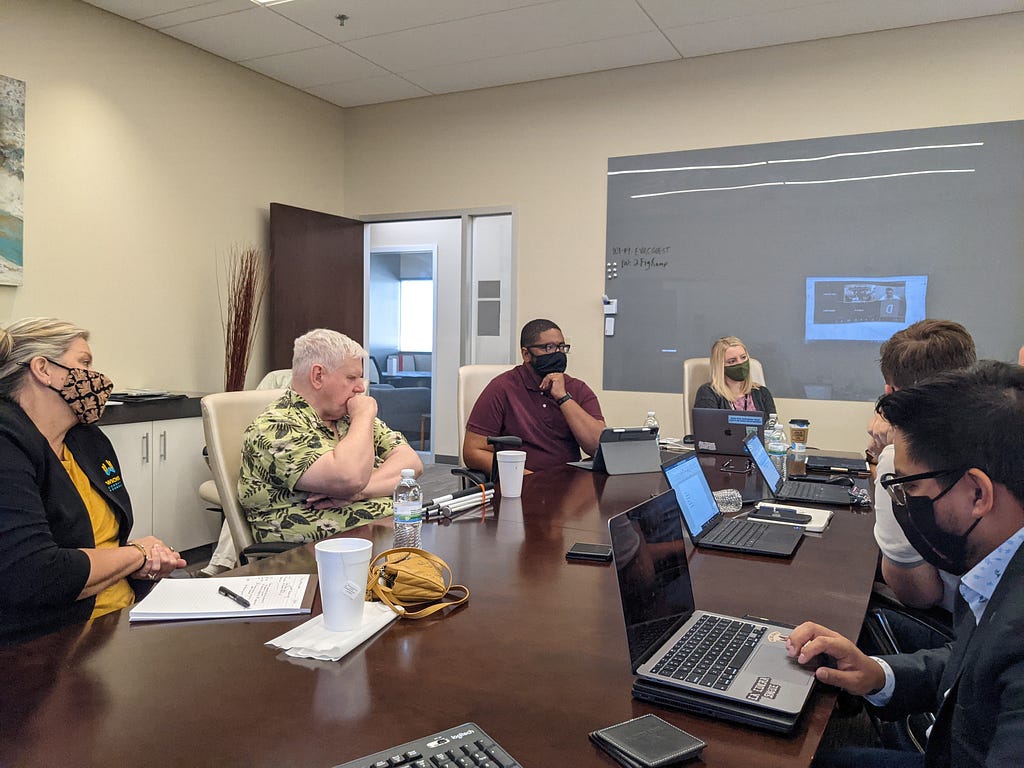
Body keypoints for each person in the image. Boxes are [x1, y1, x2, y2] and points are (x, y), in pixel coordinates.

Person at [788, 361, 1024, 768]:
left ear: (977, 493)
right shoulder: (995, 570)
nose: (904, 502)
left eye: (911, 486)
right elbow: (973, 665)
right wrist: (877, 674)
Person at [0, 318, 184, 645]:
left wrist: (138, 564)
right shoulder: (7, 444)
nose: (98, 378)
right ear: (43, 369)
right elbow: (36, 573)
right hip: (52, 643)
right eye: (84, 363)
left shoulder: (87, 440)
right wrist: (138, 554)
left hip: (124, 615)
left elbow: (103, 546)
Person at [238, 329, 422, 543]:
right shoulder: (276, 426)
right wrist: (364, 416)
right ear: (318, 376)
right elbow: (348, 477)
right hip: (315, 558)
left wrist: (362, 492)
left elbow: (411, 465)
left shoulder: (345, 416)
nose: (360, 387)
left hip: (382, 535)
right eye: (351, 378)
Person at [867, 320, 976, 613]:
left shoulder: (903, 459)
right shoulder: (1000, 427)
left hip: (960, 623)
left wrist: (887, 456)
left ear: (891, 392)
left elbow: (920, 594)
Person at [463, 318, 605, 473]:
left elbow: (598, 447)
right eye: (549, 347)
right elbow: (473, 451)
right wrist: (522, 475)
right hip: (521, 484)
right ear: (526, 354)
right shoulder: (502, 388)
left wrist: (563, 398)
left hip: (569, 485)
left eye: (561, 347)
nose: (558, 353)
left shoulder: (578, 389)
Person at [693, 336, 776, 414]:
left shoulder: (762, 393)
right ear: (720, 366)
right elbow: (706, 427)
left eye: (743, 357)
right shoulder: (708, 393)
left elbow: (773, 427)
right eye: (732, 361)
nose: (740, 363)